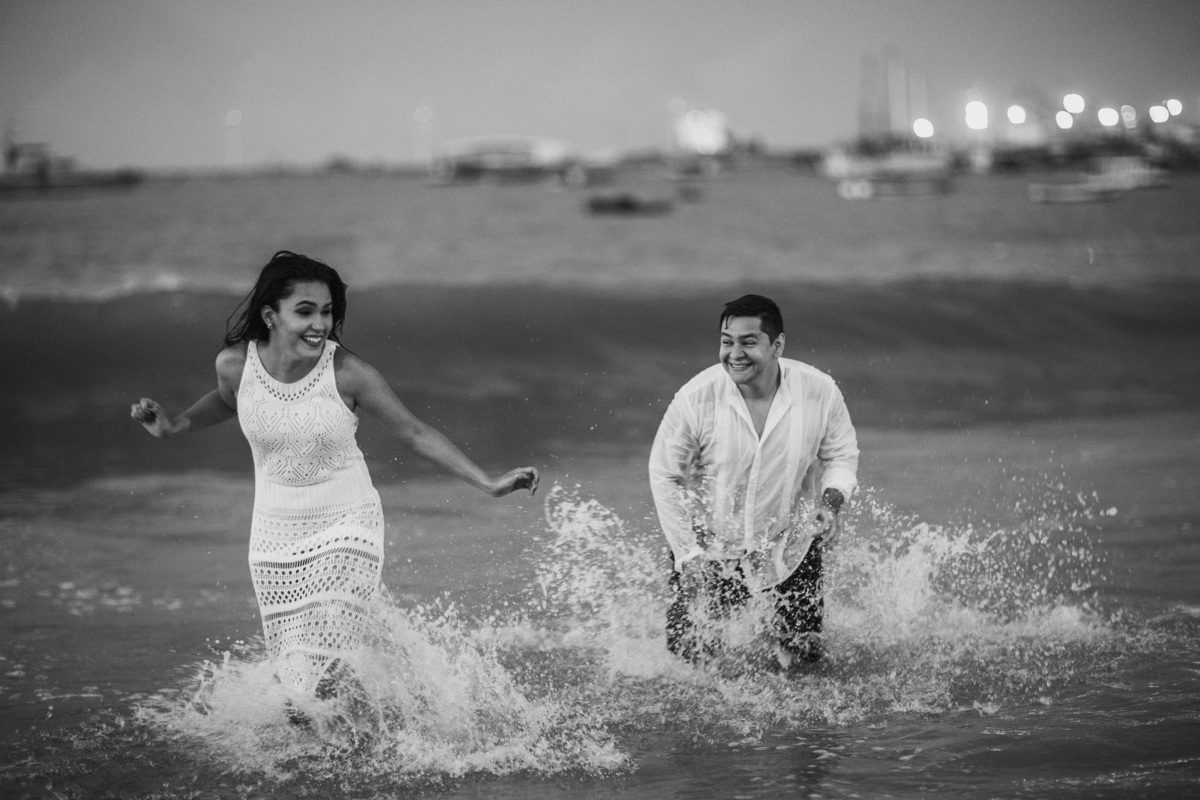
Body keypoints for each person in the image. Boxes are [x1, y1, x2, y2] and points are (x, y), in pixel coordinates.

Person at [131, 250, 539, 698]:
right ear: (270, 315)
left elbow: (414, 433)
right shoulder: (234, 366)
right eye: (304, 311)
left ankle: (356, 732)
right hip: (272, 536)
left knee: (324, 659)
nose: (320, 324)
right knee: (296, 676)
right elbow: (230, 401)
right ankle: (359, 724)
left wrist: (489, 483)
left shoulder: (348, 373)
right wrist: (171, 427)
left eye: (326, 312)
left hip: (348, 524)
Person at [648, 294, 858, 672]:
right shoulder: (696, 399)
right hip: (711, 549)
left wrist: (830, 505)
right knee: (689, 665)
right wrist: (687, 555)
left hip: (791, 546)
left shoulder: (820, 392)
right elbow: (664, 474)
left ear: (777, 345)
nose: (734, 353)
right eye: (727, 342)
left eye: (748, 342)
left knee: (804, 667)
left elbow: (841, 456)